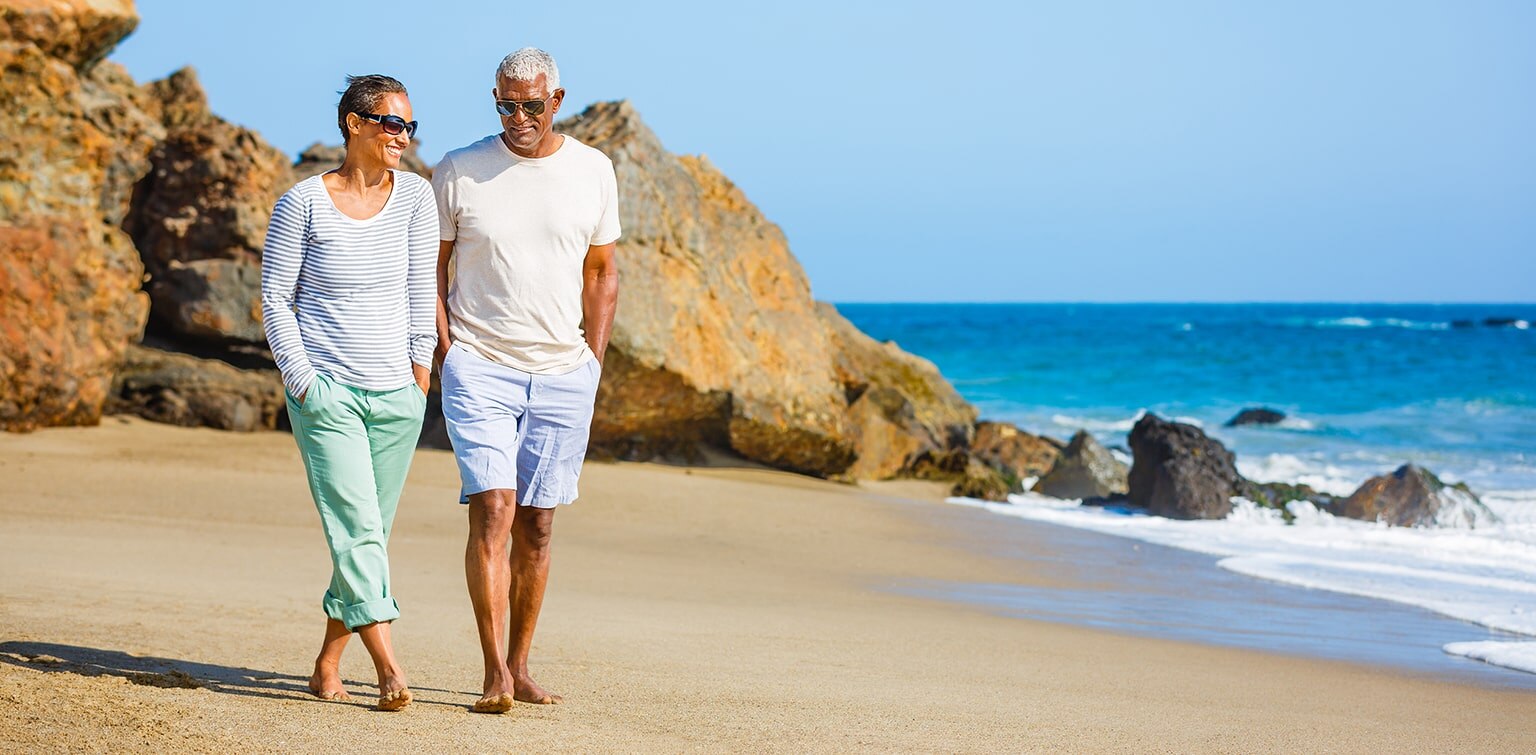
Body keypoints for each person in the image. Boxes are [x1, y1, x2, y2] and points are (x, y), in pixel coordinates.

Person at [432, 47, 620, 714]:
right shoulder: (458, 171)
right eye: (506, 104)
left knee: (537, 526)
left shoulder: (593, 171)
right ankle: (493, 672)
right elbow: (433, 264)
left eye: (532, 105)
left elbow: (602, 272)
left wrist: (592, 362)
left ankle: (521, 662)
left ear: (556, 101)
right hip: (481, 366)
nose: (519, 116)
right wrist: (446, 343)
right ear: (495, 99)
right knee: (494, 511)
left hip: (565, 372)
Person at [260, 74, 437, 712]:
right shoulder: (302, 203)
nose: (403, 136)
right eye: (392, 123)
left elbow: (423, 290)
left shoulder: (417, 198)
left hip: (397, 397)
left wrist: (421, 371)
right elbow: (276, 298)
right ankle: (390, 667)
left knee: (365, 537)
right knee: (359, 531)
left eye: (410, 125)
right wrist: (302, 380)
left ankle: (327, 661)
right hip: (327, 394)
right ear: (354, 124)